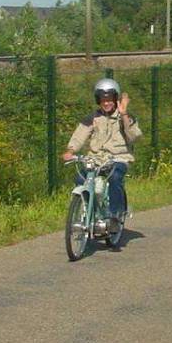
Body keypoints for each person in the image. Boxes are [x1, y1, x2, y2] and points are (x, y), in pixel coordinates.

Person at [63, 78, 142, 232]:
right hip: (95, 158)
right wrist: (71, 150)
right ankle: (89, 210)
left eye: (110, 100)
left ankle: (115, 215)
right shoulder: (93, 118)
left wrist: (124, 114)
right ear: (98, 100)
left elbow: (135, 137)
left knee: (115, 177)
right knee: (80, 178)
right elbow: (80, 134)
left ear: (116, 99)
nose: (107, 103)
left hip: (119, 158)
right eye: (103, 100)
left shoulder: (126, 117)